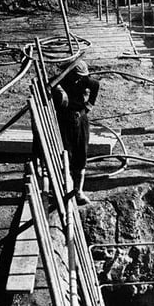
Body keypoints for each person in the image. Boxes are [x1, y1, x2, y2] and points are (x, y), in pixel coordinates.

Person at [52, 59, 100, 205]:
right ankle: (62, 189)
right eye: (76, 75)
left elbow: (95, 88)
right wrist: (58, 90)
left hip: (80, 121)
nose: (79, 78)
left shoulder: (89, 82)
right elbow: (48, 84)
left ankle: (78, 191)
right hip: (63, 121)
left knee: (81, 154)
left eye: (81, 75)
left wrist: (86, 109)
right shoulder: (60, 81)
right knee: (65, 154)